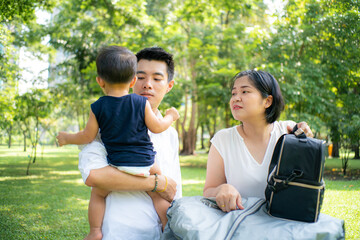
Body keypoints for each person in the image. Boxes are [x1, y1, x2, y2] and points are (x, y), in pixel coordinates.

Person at [56, 46, 179, 240]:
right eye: (141, 77)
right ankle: (169, 229)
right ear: (132, 81)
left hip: (119, 162)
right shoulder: (141, 105)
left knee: (98, 195)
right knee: (159, 191)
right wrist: (171, 116)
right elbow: (94, 176)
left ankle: (94, 231)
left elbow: (85, 135)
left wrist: (66, 138)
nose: (147, 84)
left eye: (156, 78)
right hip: (121, 230)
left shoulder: (99, 109)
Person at [203, 69, 313, 213]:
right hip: (239, 224)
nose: (236, 98)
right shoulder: (223, 139)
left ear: (267, 101)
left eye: (245, 92)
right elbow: (208, 190)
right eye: (234, 93)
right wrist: (221, 189)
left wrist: (307, 141)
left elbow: (307, 183)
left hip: (284, 222)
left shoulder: (288, 133)